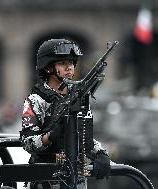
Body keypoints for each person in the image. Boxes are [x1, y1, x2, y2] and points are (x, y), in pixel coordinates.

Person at [20, 38, 111, 189]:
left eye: (71, 62)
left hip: (76, 178)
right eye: (62, 63)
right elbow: (28, 142)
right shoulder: (35, 100)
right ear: (48, 68)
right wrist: (50, 136)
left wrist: (100, 154)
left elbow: (83, 136)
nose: (69, 67)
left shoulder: (78, 97)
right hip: (45, 179)